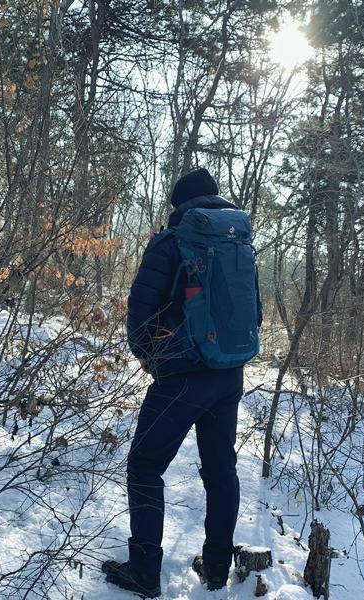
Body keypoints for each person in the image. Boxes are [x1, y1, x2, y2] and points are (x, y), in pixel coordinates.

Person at [101, 168, 262, 597]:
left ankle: (145, 572)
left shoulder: (173, 242)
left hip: (182, 376)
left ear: (178, 205)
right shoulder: (237, 242)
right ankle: (215, 568)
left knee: (145, 465)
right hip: (228, 374)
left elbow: (140, 316)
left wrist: (158, 363)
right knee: (220, 470)